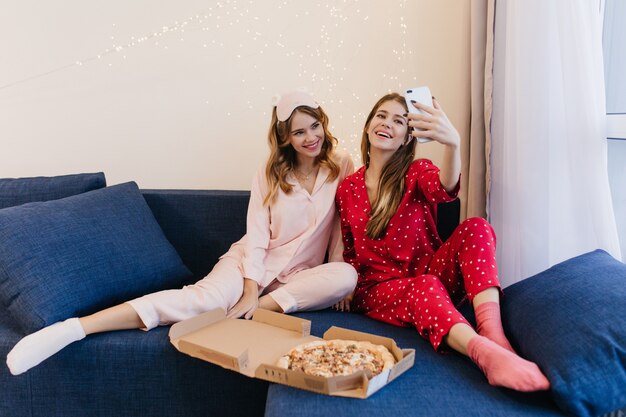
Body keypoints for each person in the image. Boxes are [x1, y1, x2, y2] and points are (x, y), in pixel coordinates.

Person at [7, 90, 357, 376]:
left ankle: (251, 312)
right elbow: (257, 236)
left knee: (346, 276)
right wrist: (249, 289)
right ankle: (74, 328)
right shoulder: (269, 172)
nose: (311, 137)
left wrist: (337, 260)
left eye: (314, 127)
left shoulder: (341, 164)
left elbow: (342, 222)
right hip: (250, 264)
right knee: (200, 300)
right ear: (285, 137)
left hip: (299, 277)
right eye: (299, 132)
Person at [333, 92, 550, 392]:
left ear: (407, 138)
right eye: (381, 116)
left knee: (476, 226)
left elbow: (445, 188)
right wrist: (343, 286)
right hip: (377, 290)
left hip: (430, 275)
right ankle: (483, 354)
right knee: (425, 286)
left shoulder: (416, 172)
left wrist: (453, 143)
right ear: (369, 125)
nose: (387, 123)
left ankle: (493, 334)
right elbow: (347, 248)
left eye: (399, 120)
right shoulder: (347, 188)